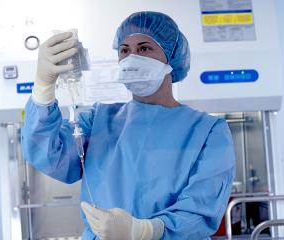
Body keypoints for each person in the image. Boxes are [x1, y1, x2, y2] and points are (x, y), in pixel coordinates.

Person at [21, 11, 235, 240]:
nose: (132, 58)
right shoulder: (99, 119)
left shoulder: (208, 131)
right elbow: (49, 154)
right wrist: (43, 88)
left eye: (144, 48)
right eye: (125, 50)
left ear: (172, 58)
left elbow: (202, 210)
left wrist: (144, 231)